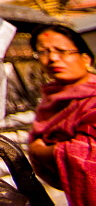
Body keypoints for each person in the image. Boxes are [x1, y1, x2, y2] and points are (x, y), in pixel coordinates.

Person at [27, 24, 96, 205]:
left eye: (62, 51)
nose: (53, 58)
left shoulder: (93, 100)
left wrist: (40, 151)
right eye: (43, 52)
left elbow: (88, 154)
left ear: (86, 59)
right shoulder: (51, 103)